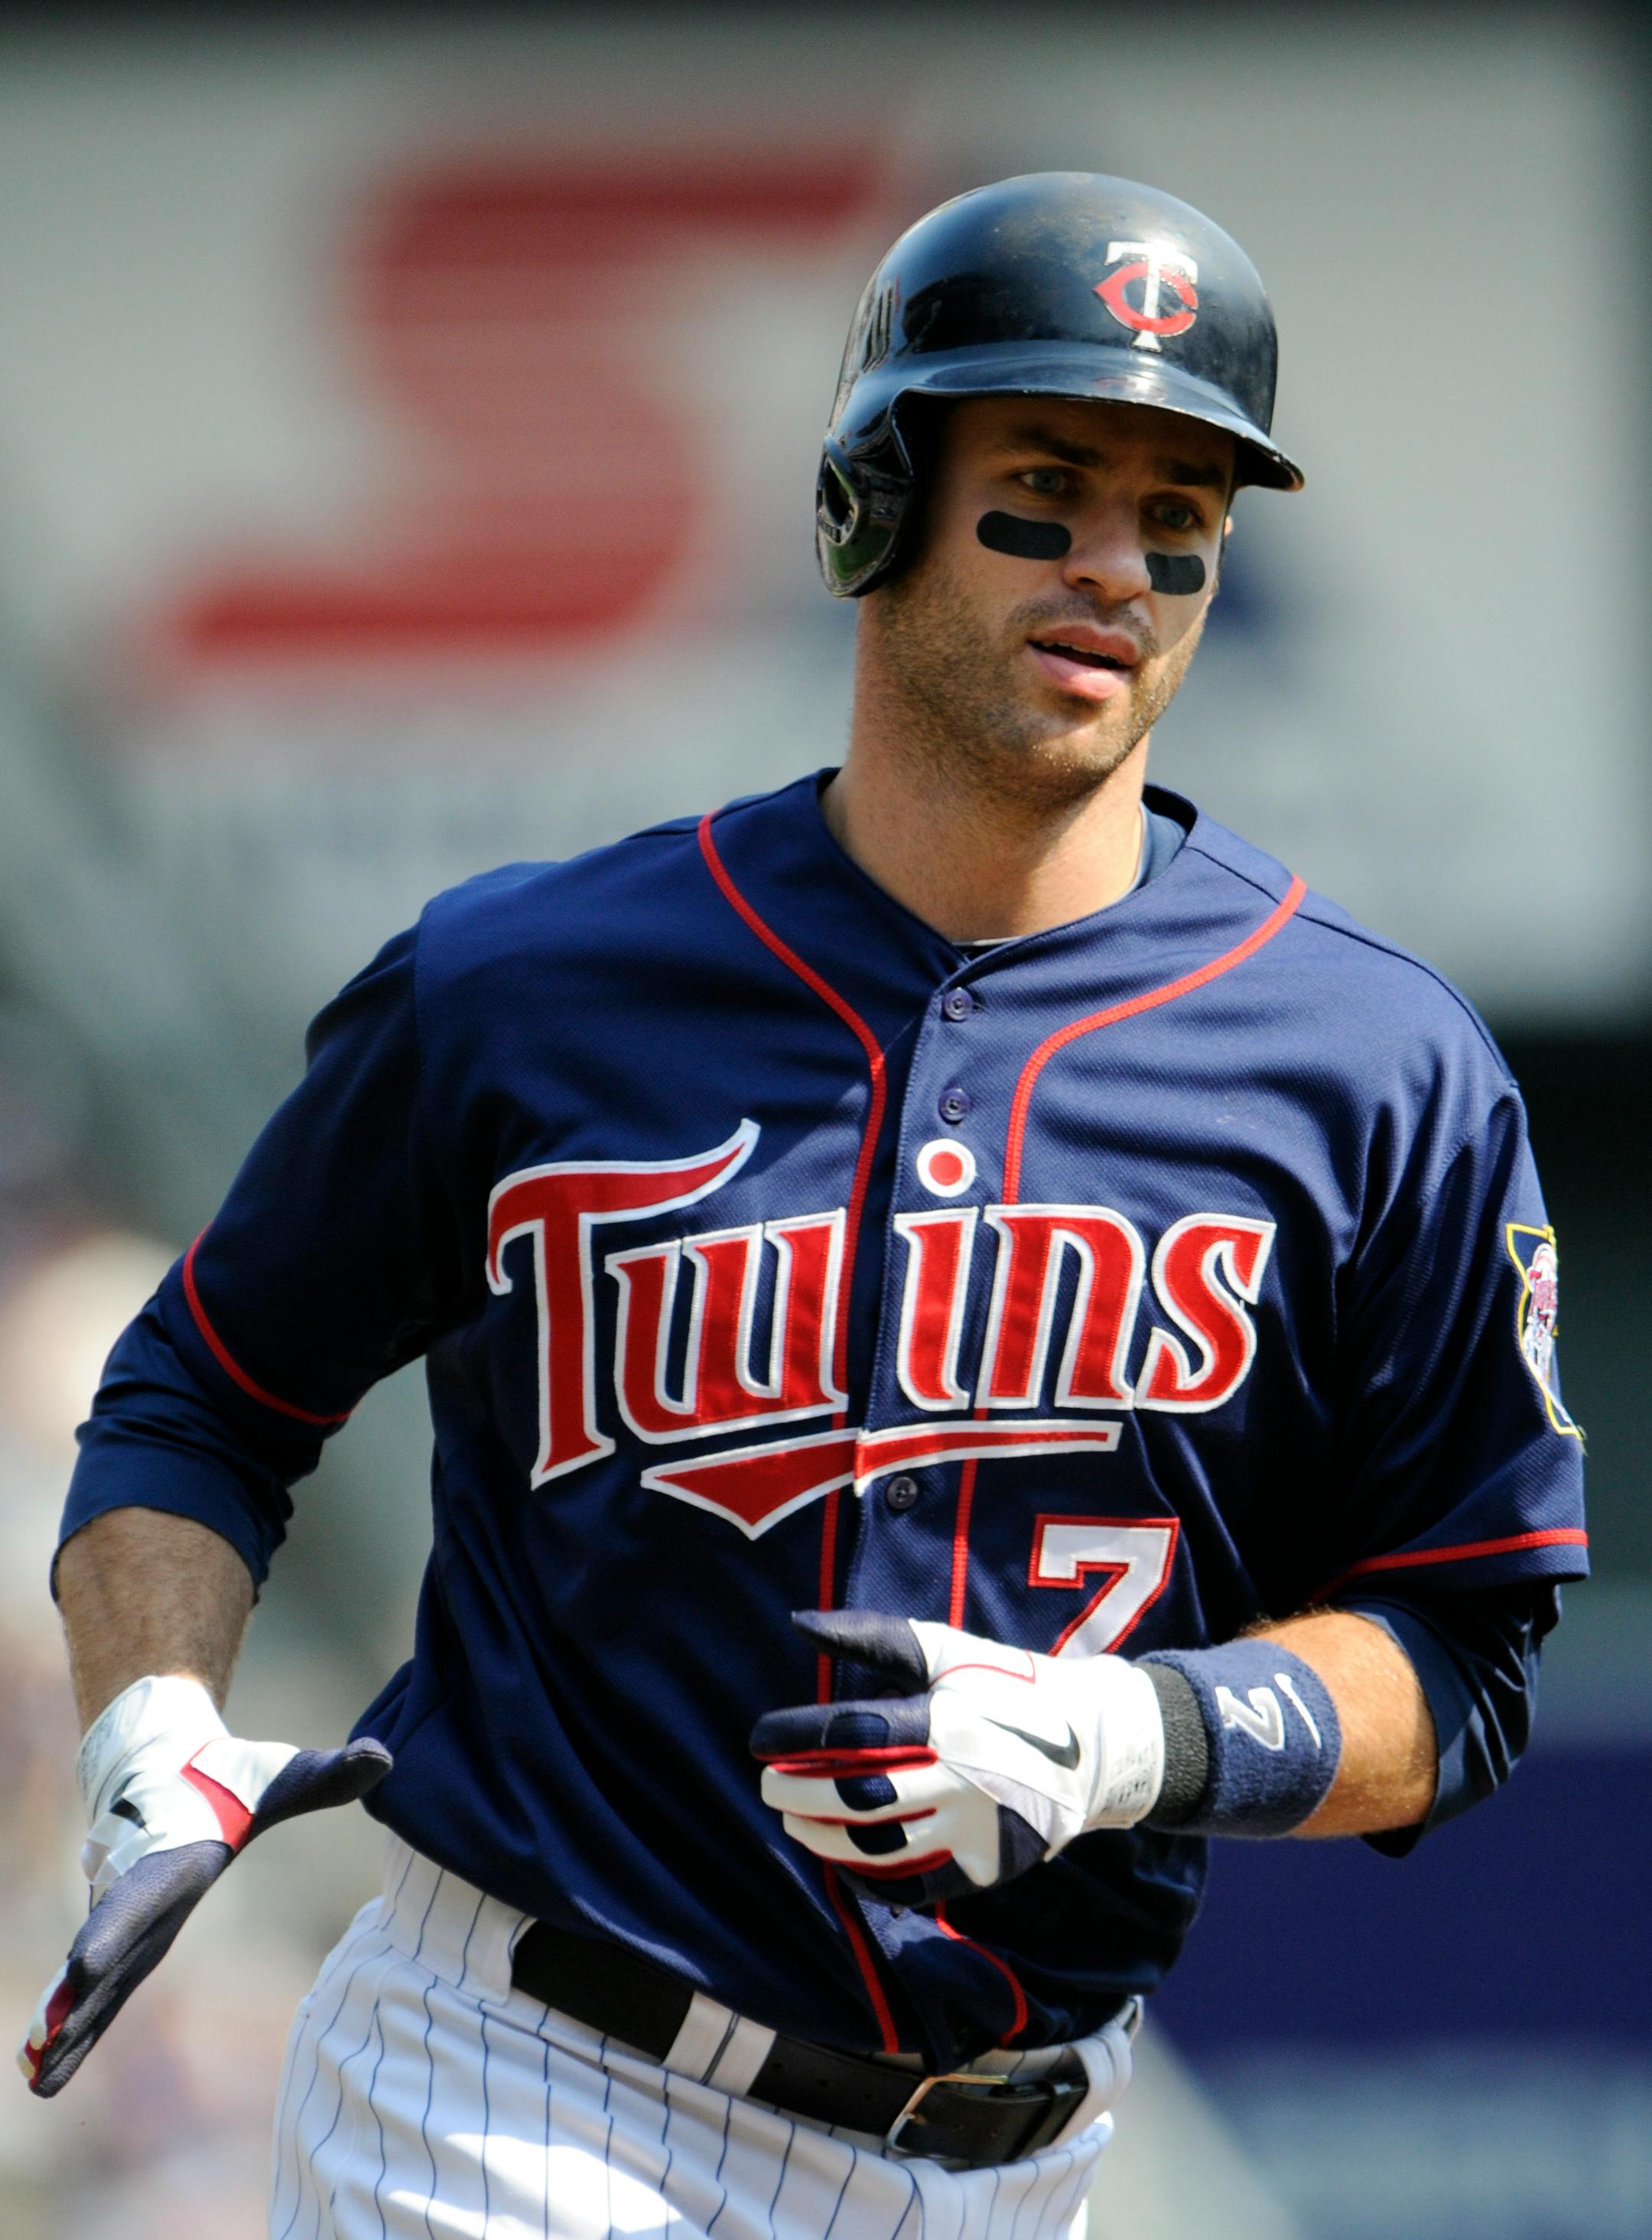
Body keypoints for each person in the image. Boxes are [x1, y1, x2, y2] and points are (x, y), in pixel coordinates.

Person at [22, 172, 1586, 2238]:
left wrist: (1140, 1733)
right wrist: (150, 1720)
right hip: (516, 2084)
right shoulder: (526, 988)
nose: (1114, 566)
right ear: (873, 505)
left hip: (1025, 2155)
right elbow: (203, 1396)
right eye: (1044, 488)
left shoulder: (1375, 1067)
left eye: (1179, 513)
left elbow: (1464, 1649)